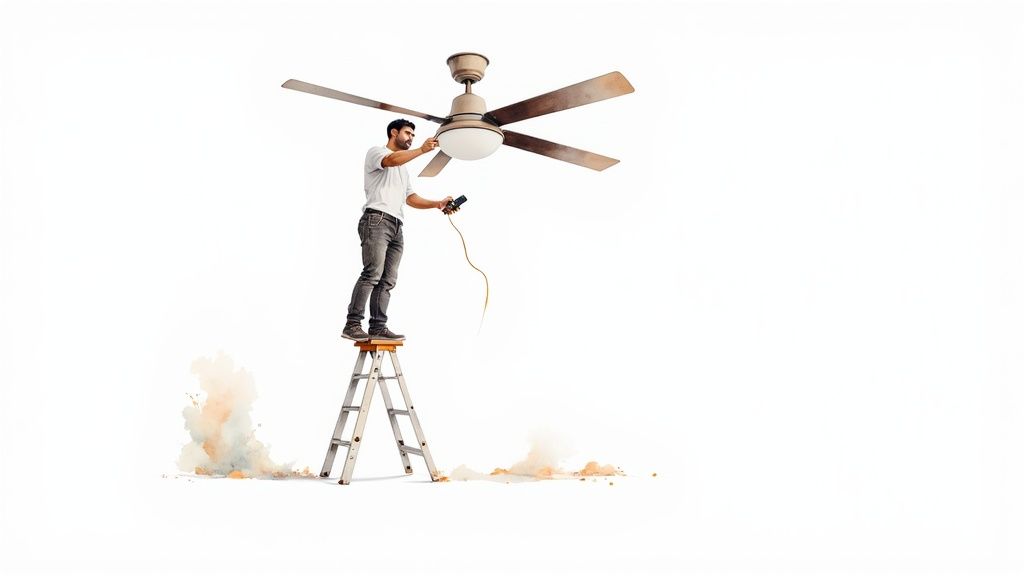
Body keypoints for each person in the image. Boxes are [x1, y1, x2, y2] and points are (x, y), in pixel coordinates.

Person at [341, 118, 457, 342]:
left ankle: (378, 327)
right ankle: (352, 324)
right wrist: (421, 150)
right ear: (394, 133)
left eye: (413, 135)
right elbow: (390, 160)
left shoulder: (403, 169)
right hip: (376, 219)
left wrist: (437, 204)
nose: (411, 138)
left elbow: (410, 198)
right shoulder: (377, 152)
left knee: (387, 280)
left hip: (396, 225)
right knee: (372, 273)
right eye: (407, 133)